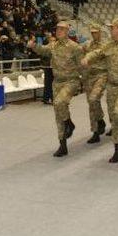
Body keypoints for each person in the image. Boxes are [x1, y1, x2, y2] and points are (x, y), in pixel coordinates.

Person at [82, 18, 118, 163]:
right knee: (114, 117)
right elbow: (97, 53)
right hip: (112, 86)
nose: (110, 30)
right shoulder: (109, 45)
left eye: (112, 27)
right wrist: (87, 58)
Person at [28, 21, 83, 157]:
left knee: (59, 103)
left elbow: (82, 65)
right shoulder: (54, 45)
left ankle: (69, 123)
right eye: (57, 29)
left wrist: (85, 82)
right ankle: (62, 145)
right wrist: (34, 46)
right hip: (56, 82)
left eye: (62, 29)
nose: (58, 31)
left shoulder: (75, 47)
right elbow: (43, 50)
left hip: (71, 81)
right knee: (58, 114)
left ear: (67, 31)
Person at [81, 23, 107, 144]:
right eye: (92, 32)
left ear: (100, 32)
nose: (94, 34)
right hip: (89, 77)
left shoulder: (106, 45)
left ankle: (100, 121)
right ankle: (96, 130)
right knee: (92, 104)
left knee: (93, 98)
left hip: (101, 75)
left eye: (96, 32)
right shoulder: (87, 45)